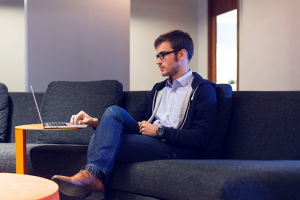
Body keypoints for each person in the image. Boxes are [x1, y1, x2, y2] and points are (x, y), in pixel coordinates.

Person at [51, 30, 217, 200]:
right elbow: (129, 118)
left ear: (182, 54)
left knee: (99, 141)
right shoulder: (159, 89)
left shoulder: (202, 90)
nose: (158, 61)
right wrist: (94, 122)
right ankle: (93, 180)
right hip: (150, 140)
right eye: (157, 56)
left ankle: (92, 179)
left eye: (163, 55)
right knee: (113, 112)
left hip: (176, 149)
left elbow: (201, 137)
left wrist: (159, 131)